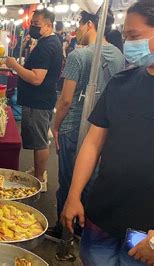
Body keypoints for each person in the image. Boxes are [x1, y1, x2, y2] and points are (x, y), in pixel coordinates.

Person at [61, 1, 154, 265]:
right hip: (103, 214)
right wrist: (74, 195)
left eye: (134, 36)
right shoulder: (121, 82)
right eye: (125, 36)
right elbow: (93, 142)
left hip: (145, 232)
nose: (127, 43)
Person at [47, 9, 125, 241]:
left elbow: (66, 100)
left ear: (89, 24)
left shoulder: (77, 56)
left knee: (69, 182)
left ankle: (64, 230)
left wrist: (55, 125)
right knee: (91, 182)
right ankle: (84, 229)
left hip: (74, 128)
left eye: (79, 25)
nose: (76, 30)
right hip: (103, 132)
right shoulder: (119, 56)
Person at [5, 9, 63, 191]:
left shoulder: (47, 46)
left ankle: (40, 179)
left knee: (39, 142)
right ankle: (39, 172)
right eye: (32, 23)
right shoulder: (49, 42)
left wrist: (15, 66)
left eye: (37, 25)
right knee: (39, 139)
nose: (33, 27)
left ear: (49, 25)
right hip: (41, 99)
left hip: (39, 100)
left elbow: (37, 78)